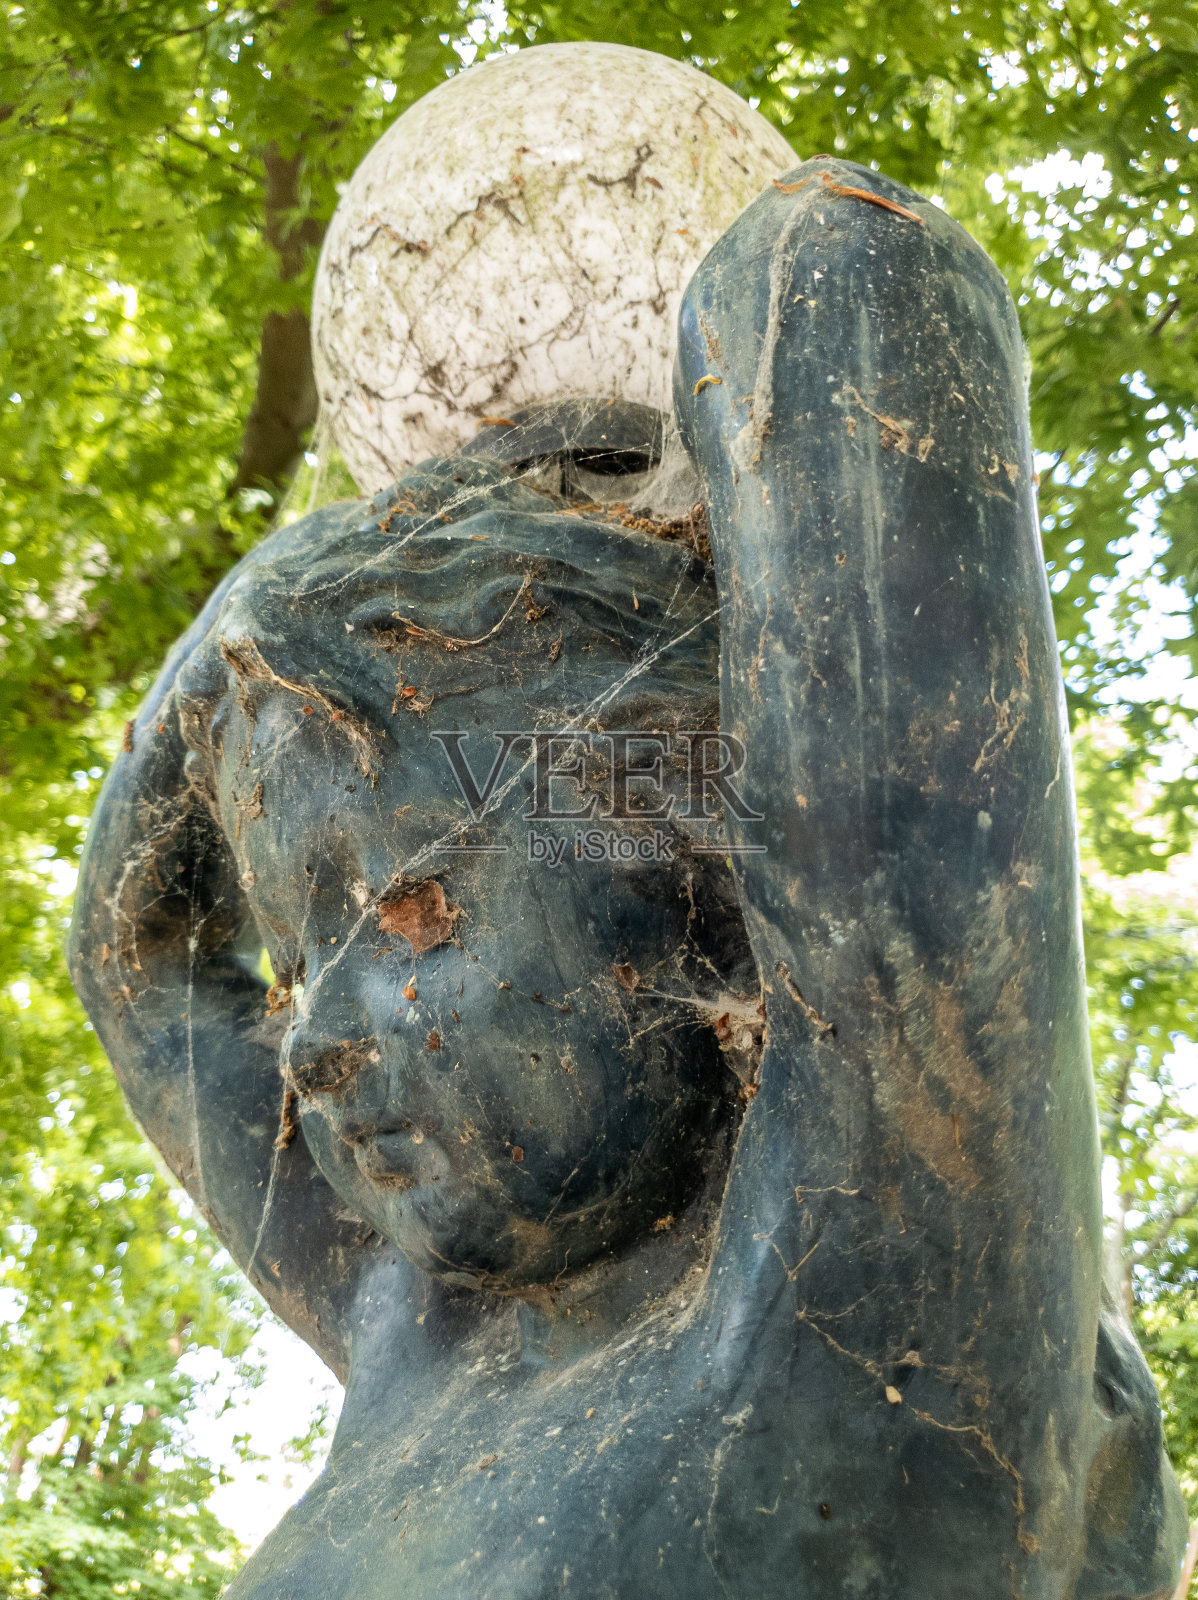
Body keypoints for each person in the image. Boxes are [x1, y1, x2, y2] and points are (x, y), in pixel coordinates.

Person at [70, 155, 1186, 1599]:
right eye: (298, 957)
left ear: (695, 879)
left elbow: (845, 283)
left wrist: (585, 451)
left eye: (403, 907)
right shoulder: (421, 1332)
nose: (313, 1040)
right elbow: (135, 959)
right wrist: (260, 624)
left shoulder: (860, 1291)